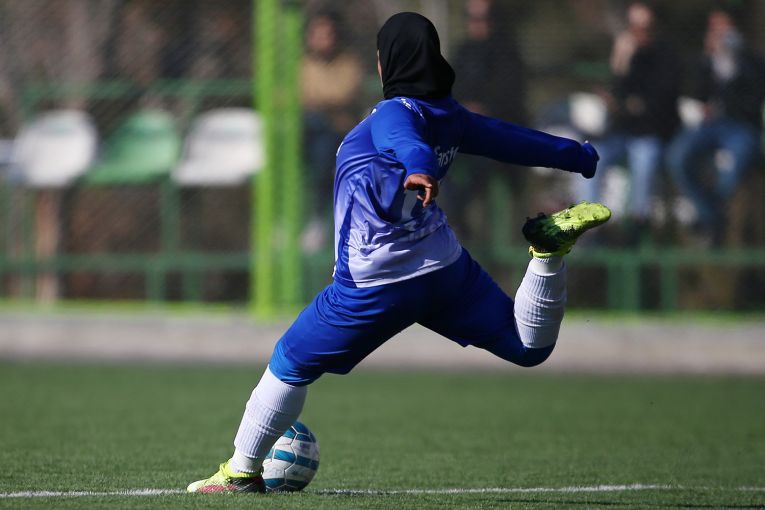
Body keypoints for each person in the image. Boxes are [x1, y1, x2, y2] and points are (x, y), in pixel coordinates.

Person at [187, 12, 610, 493]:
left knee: (289, 363)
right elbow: (507, 139)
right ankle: (547, 253)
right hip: (444, 270)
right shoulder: (450, 116)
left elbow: (401, 136)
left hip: (374, 284)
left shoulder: (393, 111)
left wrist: (419, 166)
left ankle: (242, 472)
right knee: (527, 346)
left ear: (386, 62)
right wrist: (574, 154)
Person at [577, 2, 680, 243]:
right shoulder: (627, 54)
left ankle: (637, 224)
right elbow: (618, 96)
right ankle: (591, 227)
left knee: (644, 157)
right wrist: (620, 62)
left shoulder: (666, 56)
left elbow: (657, 103)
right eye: (633, 27)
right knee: (586, 156)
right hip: (622, 134)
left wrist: (630, 106)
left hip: (651, 133)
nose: (638, 33)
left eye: (644, 27)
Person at [667, 9, 765, 245]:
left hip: (741, 128)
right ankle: (711, 216)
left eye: (725, 29)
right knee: (678, 157)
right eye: (715, 30)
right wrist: (708, 60)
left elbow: (753, 102)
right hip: (707, 127)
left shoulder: (753, 62)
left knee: (733, 165)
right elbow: (692, 94)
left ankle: (711, 219)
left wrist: (735, 65)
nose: (720, 35)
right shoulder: (703, 62)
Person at [300, 11, 364, 252]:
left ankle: (318, 219)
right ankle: (298, 219)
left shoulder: (348, 63)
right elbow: (296, 95)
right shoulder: (303, 64)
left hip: (336, 131)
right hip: (306, 131)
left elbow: (342, 93)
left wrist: (316, 99)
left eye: (327, 34)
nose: (321, 39)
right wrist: (320, 100)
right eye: (316, 34)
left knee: (323, 143)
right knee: (313, 127)